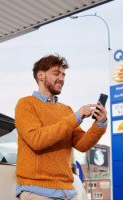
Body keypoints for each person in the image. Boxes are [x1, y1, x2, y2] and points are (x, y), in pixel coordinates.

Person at [15, 54, 108, 200]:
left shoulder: (66, 110)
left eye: (64, 75)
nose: (62, 79)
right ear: (41, 75)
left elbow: (82, 145)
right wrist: (76, 117)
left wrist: (100, 124)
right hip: (38, 191)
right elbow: (36, 140)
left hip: (68, 192)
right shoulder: (26, 104)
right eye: (56, 73)